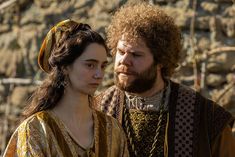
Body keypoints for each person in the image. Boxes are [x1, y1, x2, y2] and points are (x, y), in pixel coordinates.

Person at [96, 2, 235, 157]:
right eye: (121, 52)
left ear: (160, 61)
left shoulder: (206, 119)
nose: (124, 61)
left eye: (136, 55)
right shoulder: (97, 110)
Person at [3, 19, 129, 157]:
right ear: (65, 67)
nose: (99, 74)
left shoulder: (112, 129)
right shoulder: (37, 130)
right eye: (90, 65)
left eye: (103, 66)